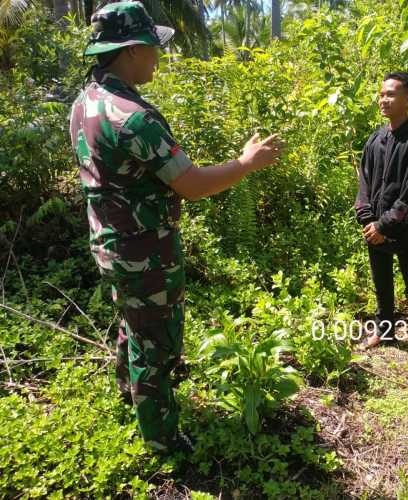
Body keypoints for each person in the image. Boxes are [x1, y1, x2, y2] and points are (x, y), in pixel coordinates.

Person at [69, 1, 284, 453]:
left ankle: (129, 394)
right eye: (152, 48)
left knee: (133, 323)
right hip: (145, 252)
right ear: (130, 51)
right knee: (157, 343)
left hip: (110, 245)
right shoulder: (133, 117)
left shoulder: (85, 102)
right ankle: (161, 439)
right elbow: (191, 184)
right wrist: (246, 164)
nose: (158, 57)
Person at [355, 71, 408, 369]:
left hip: (405, 230)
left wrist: (384, 225)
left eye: (391, 94)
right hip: (374, 227)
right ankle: (385, 330)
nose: (384, 100)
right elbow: (363, 182)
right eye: (381, 94)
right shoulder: (376, 139)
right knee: (381, 284)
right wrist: (367, 218)